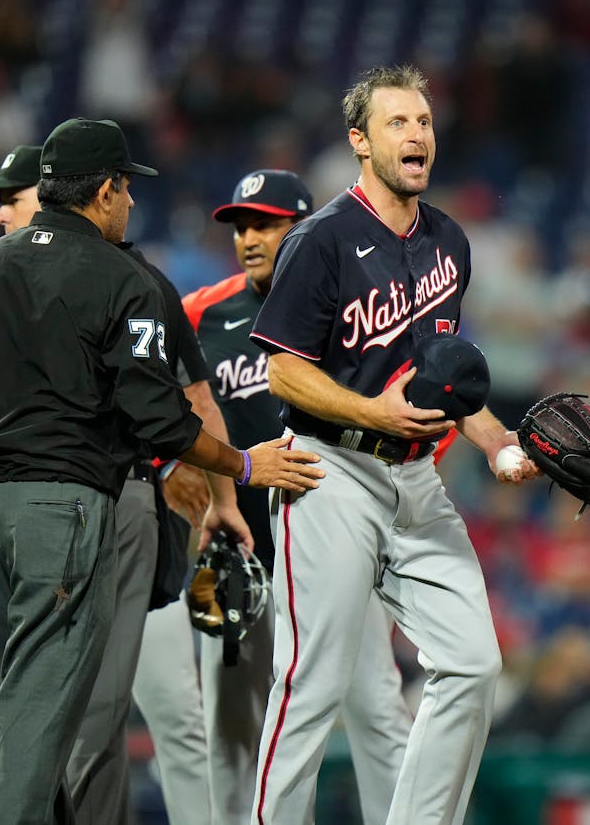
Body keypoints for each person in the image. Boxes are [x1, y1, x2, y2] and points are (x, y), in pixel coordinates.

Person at [0, 118, 324, 824]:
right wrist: (243, 463)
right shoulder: (124, 277)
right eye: (127, 189)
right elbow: (159, 417)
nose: (131, 203)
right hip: (60, 510)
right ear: (104, 191)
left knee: (16, 703)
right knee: (45, 717)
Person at [0, 142, 224, 824]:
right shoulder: (79, 274)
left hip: (34, 501)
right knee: (58, 709)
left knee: (10, 699)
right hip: (78, 497)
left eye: (13, 196)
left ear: (57, 193)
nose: (2, 214)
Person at [246, 66, 539, 824]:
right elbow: (281, 369)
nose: (417, 135)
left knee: (474, 664)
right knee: (310, 685)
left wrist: (497, 440)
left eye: (425, 123)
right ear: (360, 141)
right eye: (398, 122)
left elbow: (443, 380)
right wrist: (372, 412)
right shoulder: (319, 240)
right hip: (329, 470)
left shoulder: (449, 241)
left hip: (416, 482)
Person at [138, 169, 412, 824]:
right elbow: (136, 388)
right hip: (240, 554)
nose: (249, 238)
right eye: (240, 226)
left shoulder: (357, 311)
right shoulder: (199, 311)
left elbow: (407, 413)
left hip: (339, 546)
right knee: (232, 727)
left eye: (266, 223)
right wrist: (163, 459)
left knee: (375, 709)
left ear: (304, 229)